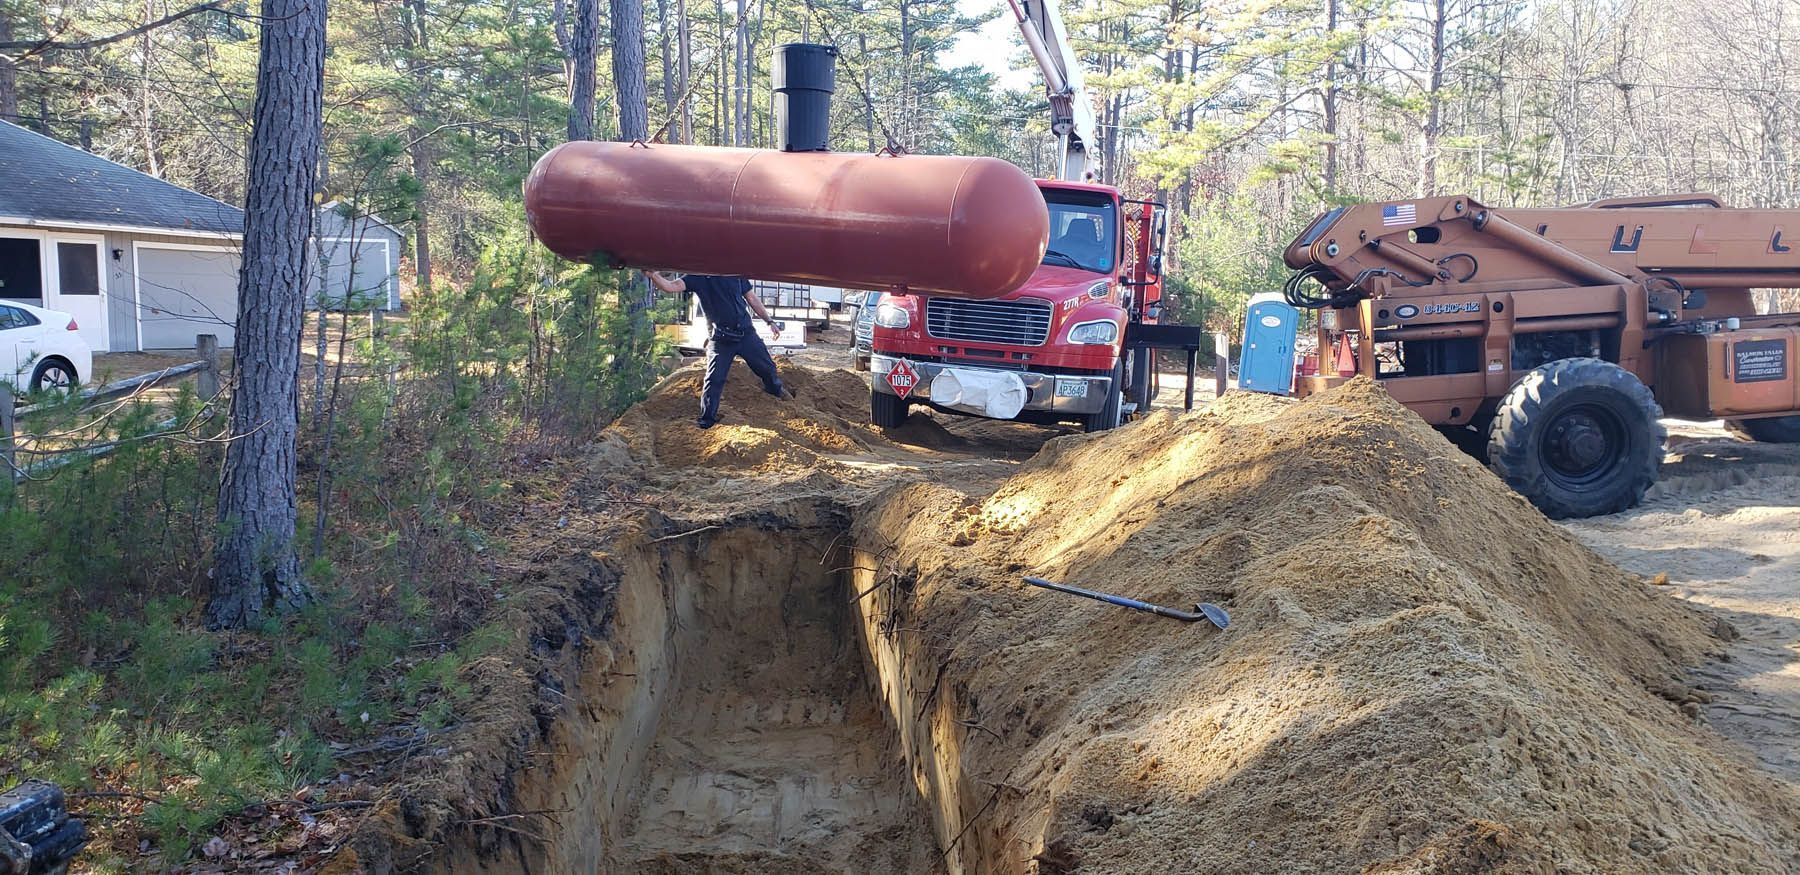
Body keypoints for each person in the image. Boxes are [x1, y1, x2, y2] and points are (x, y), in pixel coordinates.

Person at [643, 270, 793, 428]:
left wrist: (769, 321)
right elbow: (670, 287)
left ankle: (775, 391)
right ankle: (707, 420)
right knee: (714, 380)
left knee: (767, 368)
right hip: (721, 339)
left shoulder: (735, 273)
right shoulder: (698, 277)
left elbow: (752, 298)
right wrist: (653, 275)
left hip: (746, 334)